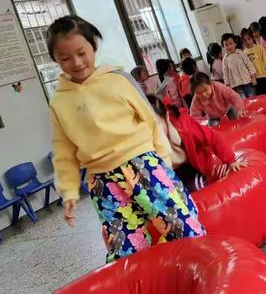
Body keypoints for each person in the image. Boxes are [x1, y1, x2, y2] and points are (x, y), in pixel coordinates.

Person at [47, 15, 205, 263]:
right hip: (101, 180)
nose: (76, 63)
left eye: (81, 53)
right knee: (125, 247)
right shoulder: (59, 101)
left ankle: (203, 269)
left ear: (94, 46)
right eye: (65, 58)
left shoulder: (117, 80)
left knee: (181, 224)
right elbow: (64, 150)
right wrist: (68, 191)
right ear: (55, 60)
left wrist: (162, 161)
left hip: (142, 163)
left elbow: (150, 120)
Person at [148, 96, 244, 192]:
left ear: (166, 117)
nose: (153, 133)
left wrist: (231, 160)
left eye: (156, 126)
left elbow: (213, 136)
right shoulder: (146, 142)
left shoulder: (184, 127)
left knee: (196, 186)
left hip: (193, 167)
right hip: (171, 171)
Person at [221, 33, 257, 98]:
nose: (229, 46)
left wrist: (253, 77)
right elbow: (225, 73)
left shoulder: (240, 53)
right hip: (236, 85)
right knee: (243, 101)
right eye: (226, 45)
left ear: (235, 44)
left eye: (231, 44)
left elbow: (249, 65)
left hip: (247, 81)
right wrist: (227, 85)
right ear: (223, 47)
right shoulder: (225, 59)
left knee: (253, 98)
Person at [242, 29, 266, 95]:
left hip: (263, 76)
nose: (247, 42)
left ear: (253, 38)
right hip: (253, 79)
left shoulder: (259, 48)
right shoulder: (243, 53)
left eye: (249, 39)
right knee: (260, 96)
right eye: (244, 40)